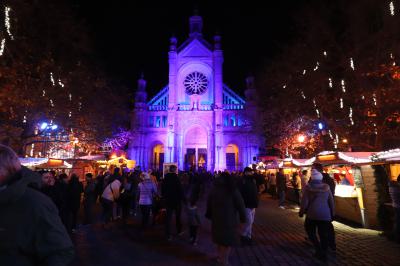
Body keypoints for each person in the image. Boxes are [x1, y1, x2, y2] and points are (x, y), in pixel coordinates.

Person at [0, 144, 75, 265]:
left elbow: (60, 252)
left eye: (49, 177)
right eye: (45, 177)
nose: (48, 179)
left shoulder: (35, 202)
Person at [206, 172, 246, 266]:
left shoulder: (214, 189)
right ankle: (225, 261)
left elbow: (209, 203)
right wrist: (243, 219)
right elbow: (241, 205)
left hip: (216, 219)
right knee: (227, 242)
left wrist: (209, 215)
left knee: (219, 240)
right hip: (229, 219)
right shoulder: (232, 189)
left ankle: (220, 258)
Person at [299, 169, 335, 262]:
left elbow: (304, 202)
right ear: (321, 178)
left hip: (312, 214)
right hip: (325, 215)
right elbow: (331, 201)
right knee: (324, 235)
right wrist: (332, 213)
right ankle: (324, 253)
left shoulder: (308, 188)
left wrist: (301, 212)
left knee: (310, 232)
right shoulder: (326, 187)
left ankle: (318, 249)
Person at [313, 162, 336, 250]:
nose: (311, 170)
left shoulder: (322, 180)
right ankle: (331, 244)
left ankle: (325, 246)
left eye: (313, 169)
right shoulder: (328, 179)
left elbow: (330, 195)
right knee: (327, 226)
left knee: (322, 228)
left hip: (322, 207)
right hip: (325, 207)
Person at [162, 164, 185, 240]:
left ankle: (168, 234)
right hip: (176, 201)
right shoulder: (176, 178)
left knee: (168, 217)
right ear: (174, 170)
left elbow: (163, 188)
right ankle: (179, 231)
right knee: (178, 217)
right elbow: (180, 190)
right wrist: (183, 199)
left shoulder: (165, 178)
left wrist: (164, 197)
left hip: (168, 200)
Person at [239, 167, 259, 245]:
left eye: (251, 172)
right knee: (249, 221)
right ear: (246, 172)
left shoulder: (253, 180)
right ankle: (243, 235)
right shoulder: (242, 181)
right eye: (250, 172)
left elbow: (255, 191)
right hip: (246, 204)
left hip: (253, 204)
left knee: (251, 221)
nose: (251, 173)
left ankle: (249, 237)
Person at [388, 174, 400, 243]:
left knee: (397, 222)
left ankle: (396, 237)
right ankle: (397, 239)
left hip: (396, 206)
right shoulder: (396, 188)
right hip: (398, 207)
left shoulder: (392, 187)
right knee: (398, 223)